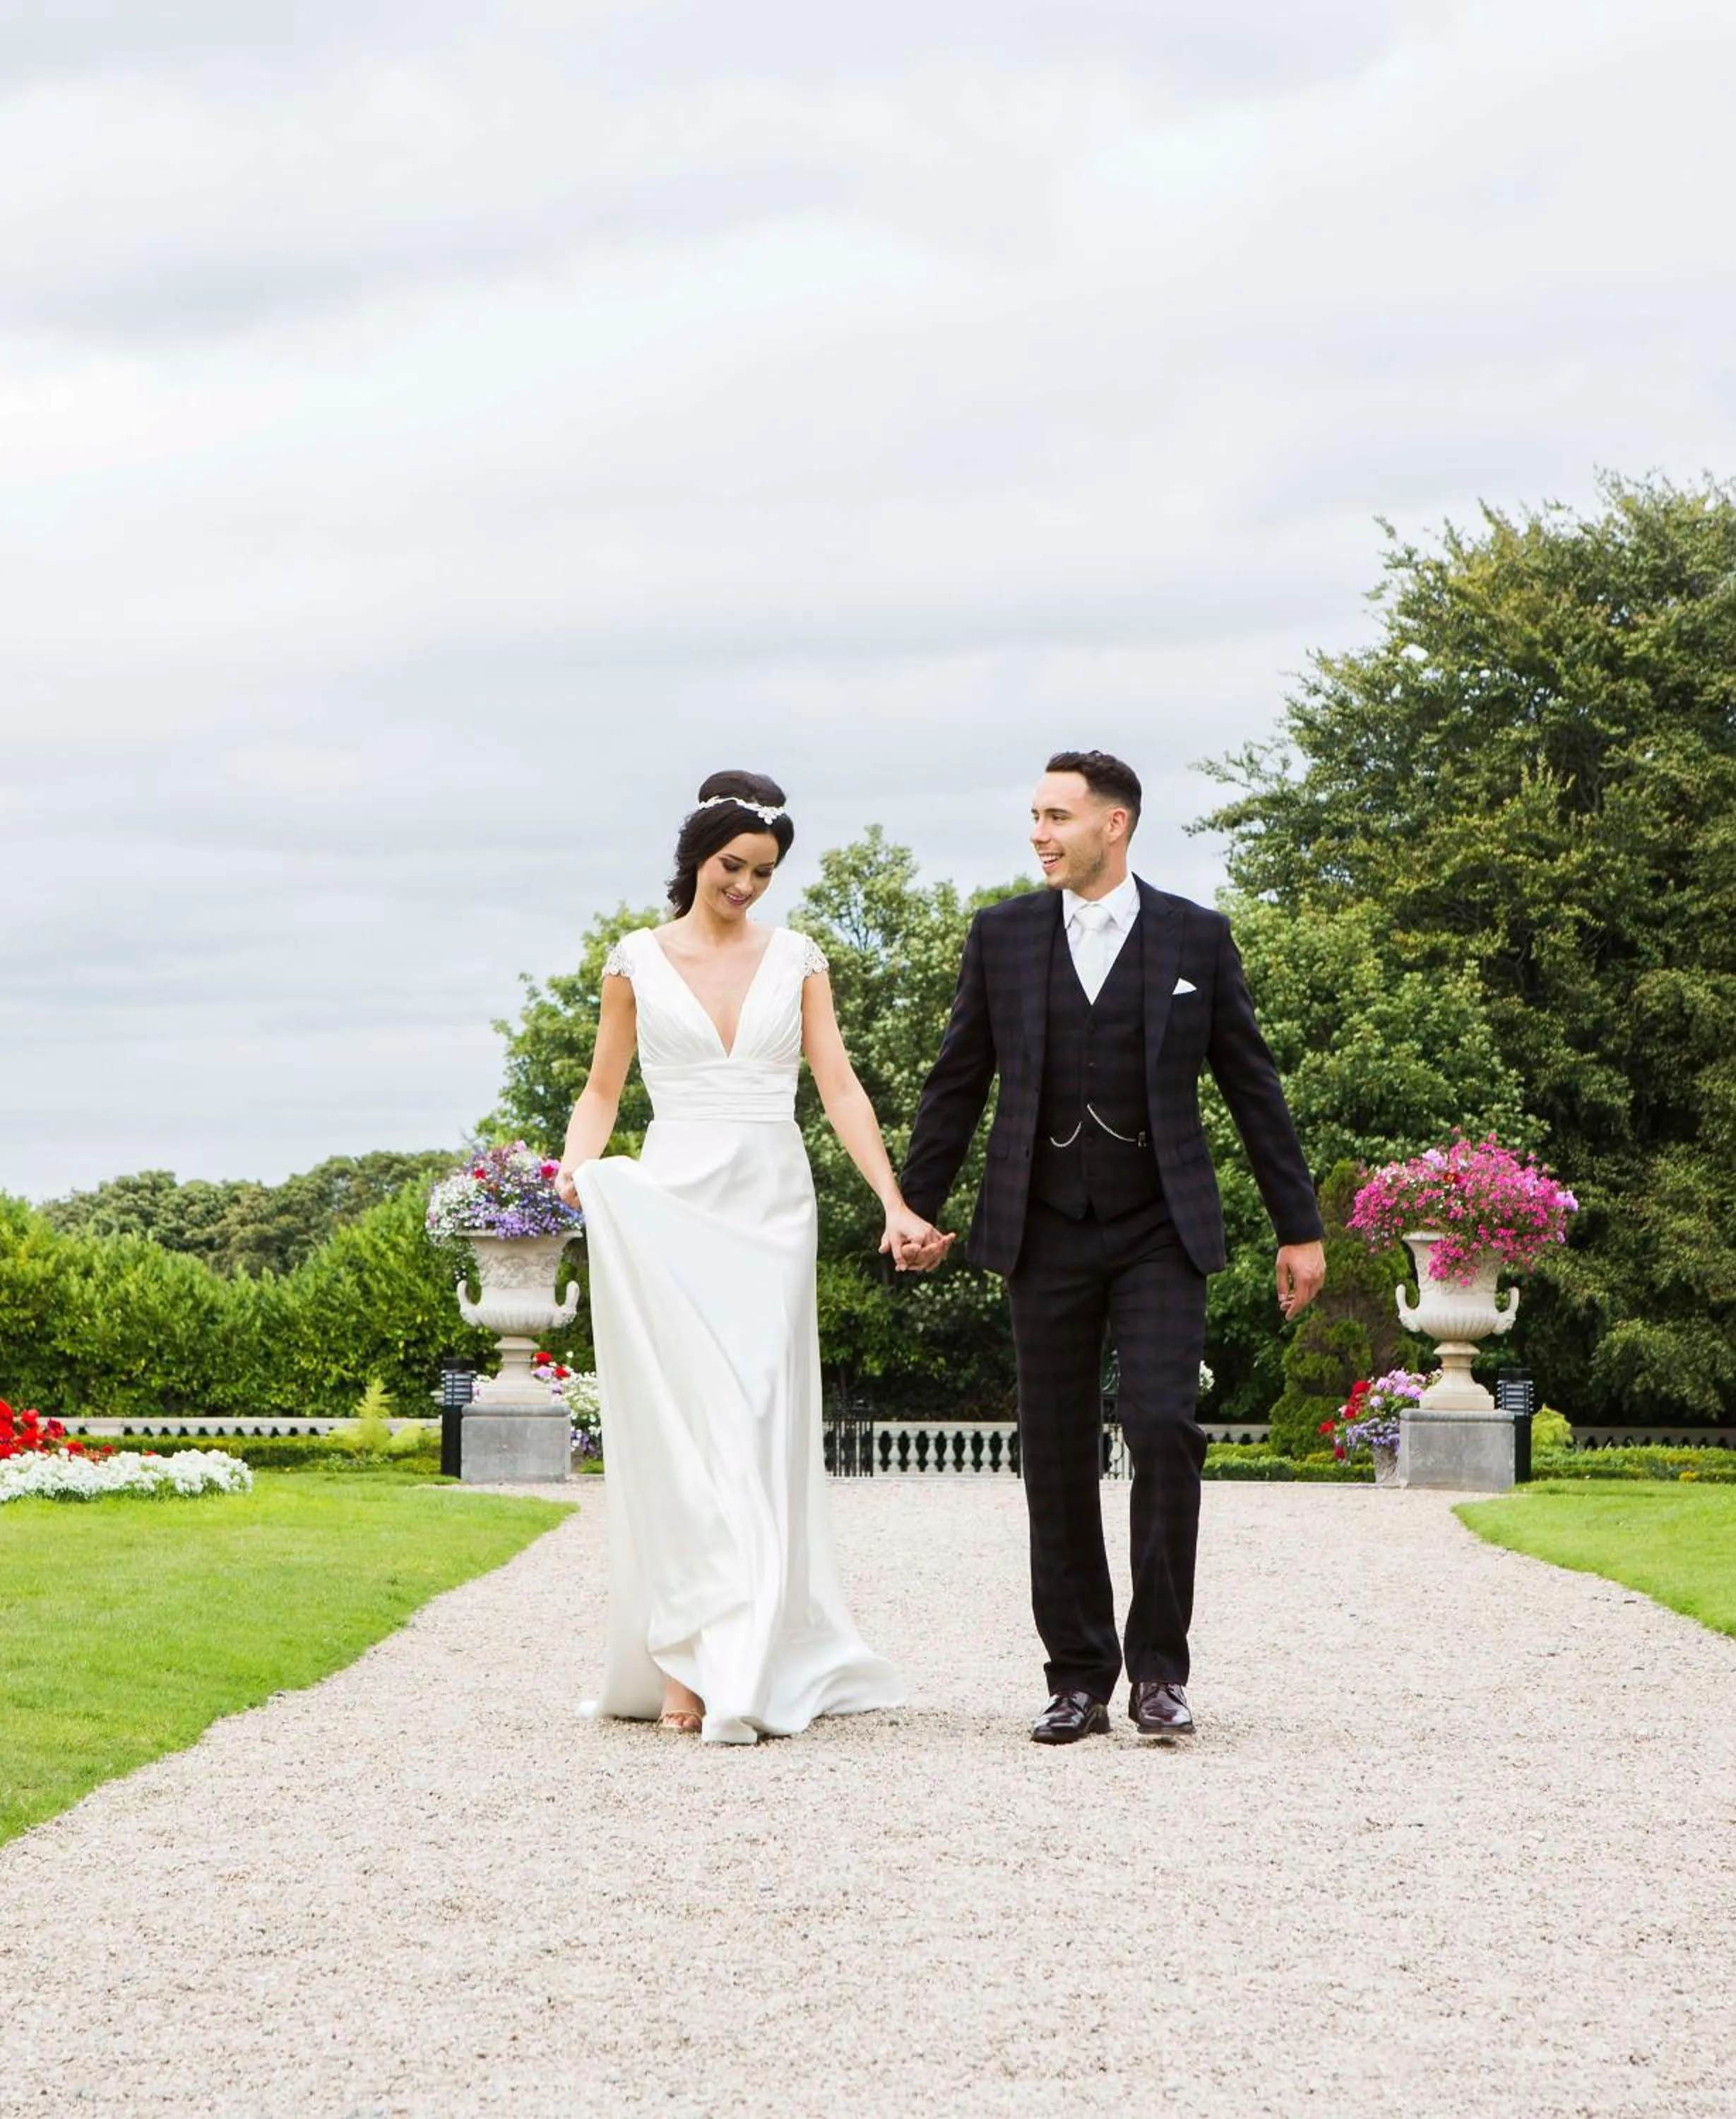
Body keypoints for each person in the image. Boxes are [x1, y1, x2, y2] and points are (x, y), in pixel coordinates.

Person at [896, 750, 1325, 1744]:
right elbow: (957, 1081)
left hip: (1159, 1227)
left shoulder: (1195, 938)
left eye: (1055, 815)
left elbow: (1251, 1087)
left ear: (1113, 825)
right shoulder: (1000, 937)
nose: (1038, 833)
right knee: (1051, 1452)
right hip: (1039, 1227)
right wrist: (916, 1206)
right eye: (1033, 816)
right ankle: (1079, 1677)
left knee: (1164, 1426)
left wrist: (1297, 1226)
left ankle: (1161, 1674)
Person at [554, 771, 936, 1743]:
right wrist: (576, 1169)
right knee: (685, 1432)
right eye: (733, 867)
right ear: (695, 859)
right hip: (672, 1199)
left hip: (770, 1202)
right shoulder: (634, 960)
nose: (747, 887)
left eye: (763, 873)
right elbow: (603, 1091)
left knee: (758, 1424)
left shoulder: (796, 956)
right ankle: (686, 1660)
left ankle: (746, 1658)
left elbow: (839, 1085)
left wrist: (891, 1201)